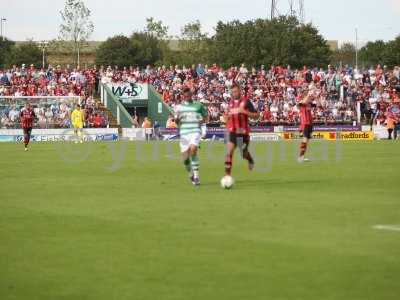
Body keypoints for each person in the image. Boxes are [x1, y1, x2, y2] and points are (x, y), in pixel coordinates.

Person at [175, 87, 208, 186]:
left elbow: (206, 116)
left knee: (193, 149)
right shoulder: (179, 107)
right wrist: (177, 119)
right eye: (185, 96)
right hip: (184, 133)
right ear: (183, 96)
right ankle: (191, 174)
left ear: (191, 95)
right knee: (185, 158)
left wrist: (201, 121)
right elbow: (177, 122)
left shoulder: (198, 105)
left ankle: (197, 176)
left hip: (195, 131)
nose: (187, 97)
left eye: (188, 95)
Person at [224, 84, 258, 177]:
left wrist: (245, 112)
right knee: (229, 151)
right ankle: (227, 176)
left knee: (243, 153)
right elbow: (227, 117)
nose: (234, 93)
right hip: (232, 132)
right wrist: (226, 118)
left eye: (235, 91)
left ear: (240, 91)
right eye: (232, 92)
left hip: (242, 133)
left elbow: (256, 116)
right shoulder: (230, 103)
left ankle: (250, 160)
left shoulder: (246, 102)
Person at [298, 87, 318, 163]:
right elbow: (303, 102)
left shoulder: (309, 103)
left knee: (307, 141)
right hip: (305, 124)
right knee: (305, 140)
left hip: (310, 123)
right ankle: (300, 157)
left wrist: (316, 96)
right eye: (305, 93)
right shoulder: (301, 102)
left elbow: (318, 104)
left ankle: (302, 157)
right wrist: (308, 94)